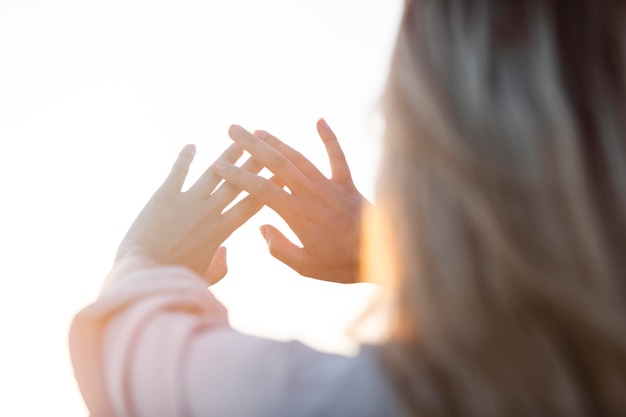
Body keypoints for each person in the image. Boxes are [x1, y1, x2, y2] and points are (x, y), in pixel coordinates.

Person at [70, 1, 626, 416]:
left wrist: (142, 260)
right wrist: (384, 251)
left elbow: (130, 362)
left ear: (449, 164)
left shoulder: (386, 402)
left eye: (395, 125)